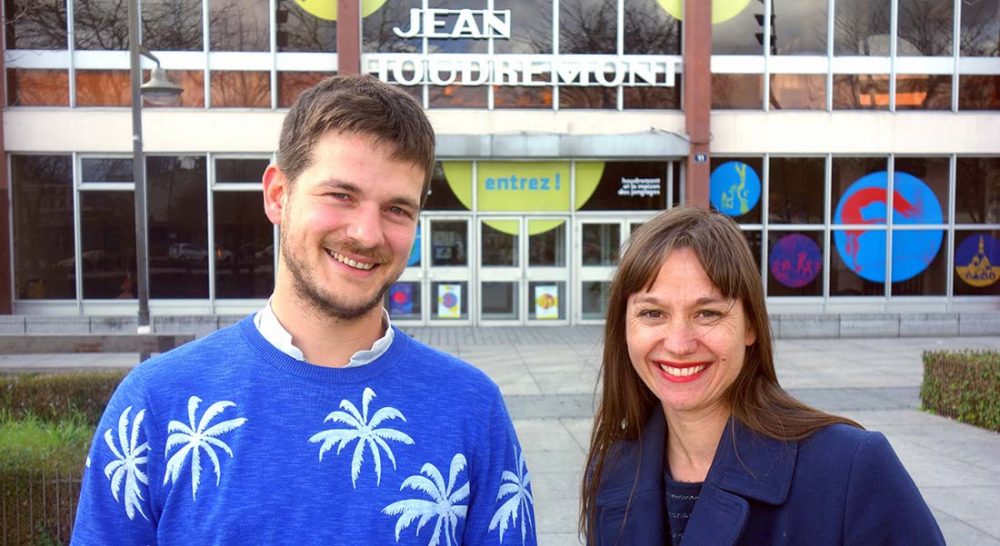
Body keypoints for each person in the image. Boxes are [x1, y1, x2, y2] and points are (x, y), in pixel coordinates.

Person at [72, 75, 537, 546]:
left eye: (397, 209)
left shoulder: (472, 409)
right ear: (278, 195)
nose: (368, 233)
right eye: (341, 195)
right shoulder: (156, 404)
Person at [580, 207, 944, 546]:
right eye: (652, 313)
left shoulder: (852, 469)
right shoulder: (612, 469)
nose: (678, 344)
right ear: (623, 328)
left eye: (707, 313)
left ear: (751, 325)